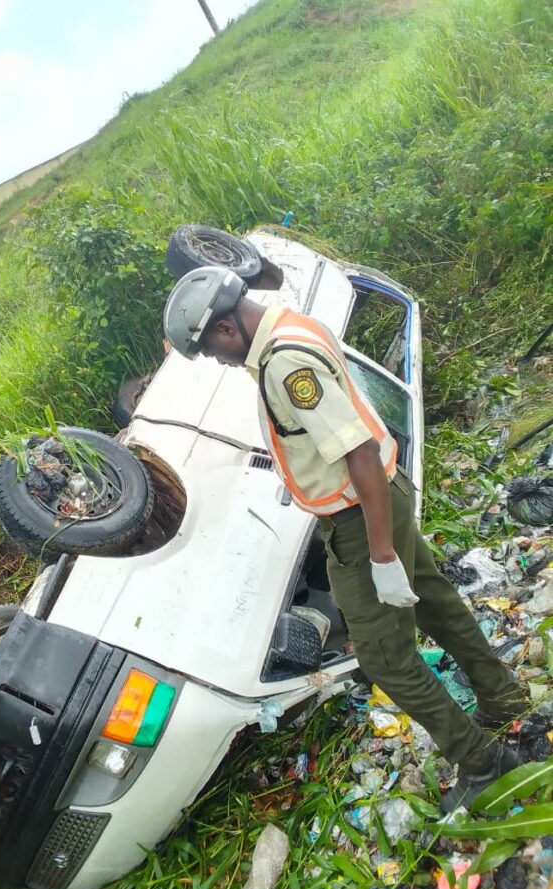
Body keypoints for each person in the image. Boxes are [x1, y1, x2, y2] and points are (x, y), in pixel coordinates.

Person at [163, 264, 528, 812]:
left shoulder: (285, 365)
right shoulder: (288, 326)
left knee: (385, 659)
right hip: (388, 493)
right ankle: (504, 698)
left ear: (225, 329)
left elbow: (355, 452)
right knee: (436, 604)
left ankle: (483, 762)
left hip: (362, 517)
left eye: (216, 351)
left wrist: (380, 555)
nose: (221, 360)